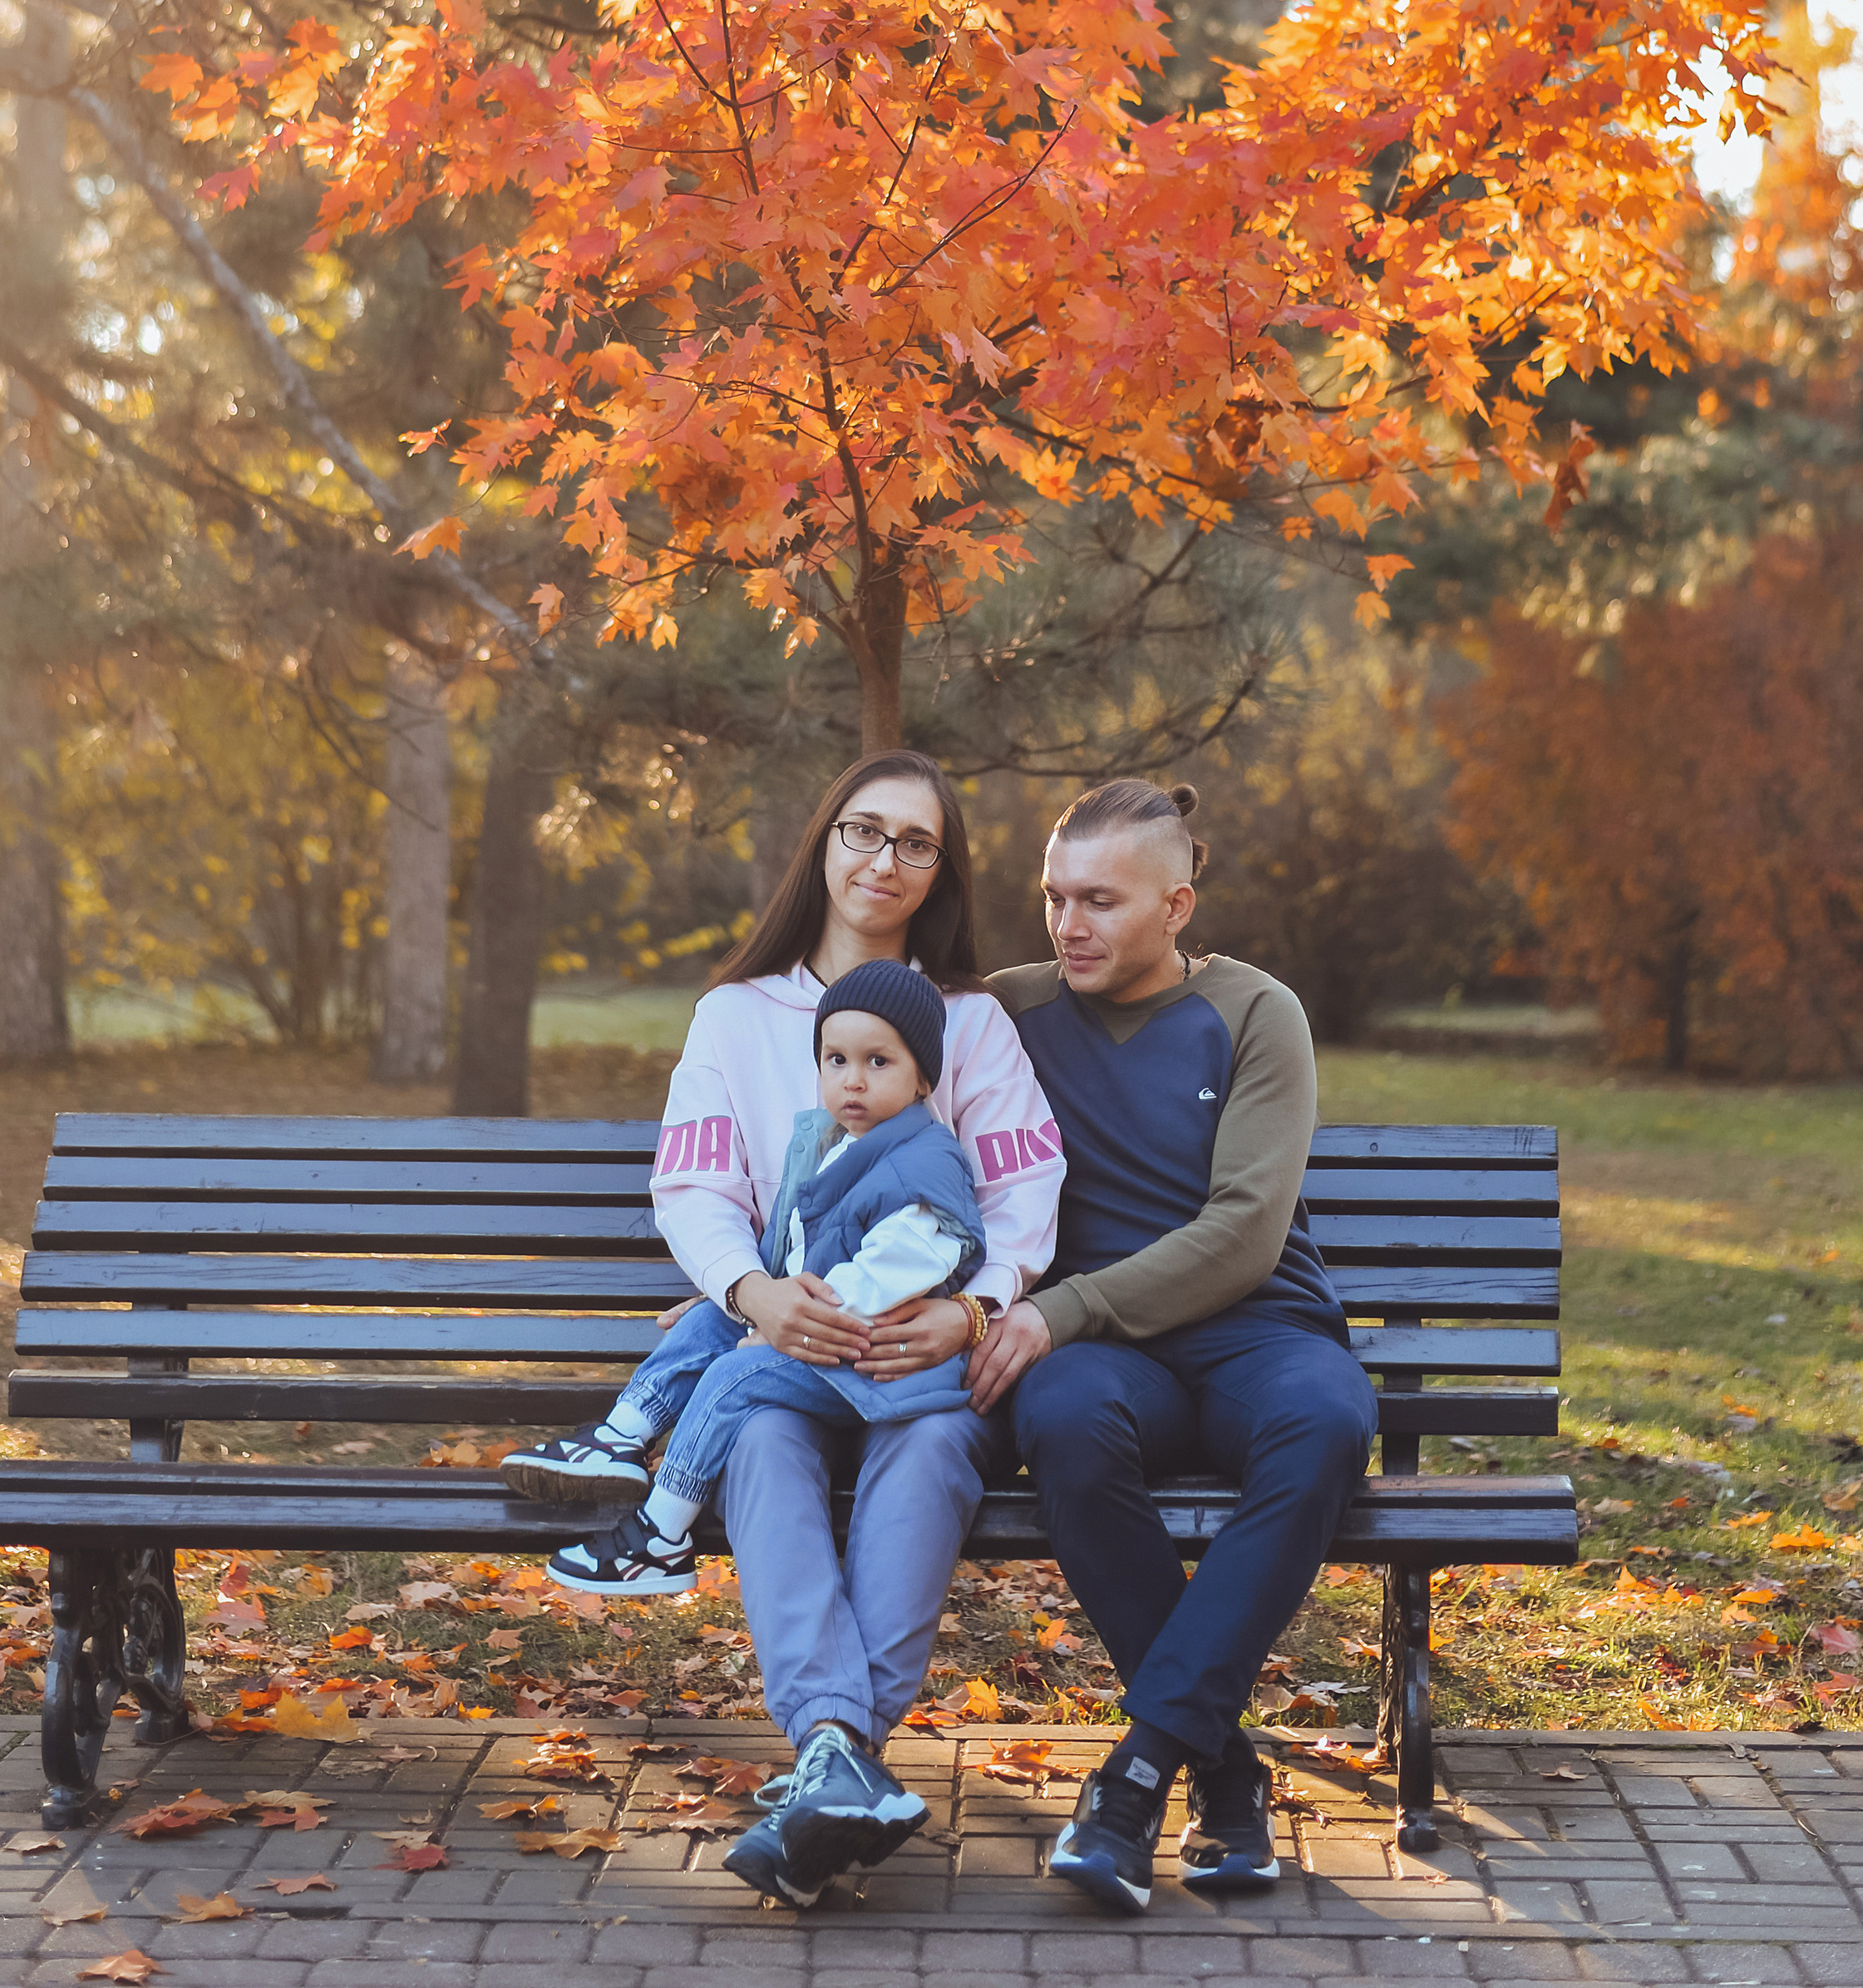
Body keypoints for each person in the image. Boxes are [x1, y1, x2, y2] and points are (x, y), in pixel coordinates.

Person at [604, 752, 1061, 1907]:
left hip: (920, 1355)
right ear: (825, 841)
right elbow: (695, 1188)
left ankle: (831, 1758)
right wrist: (750, 1294)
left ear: (941, 871)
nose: (884, 859)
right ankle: (837, 1755)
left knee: (935, 1446)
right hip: (789, 1346)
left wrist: (971, 1307)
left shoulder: (972, 1022)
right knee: (759, 1442)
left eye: (917, 842)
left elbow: (1024, 1193)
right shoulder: (734, 1016)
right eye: (864, 829)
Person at [972, 777, 1378, 1918]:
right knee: (1060, 1417)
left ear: (1177, 906)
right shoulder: (1005, 1012)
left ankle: (1139, 1767)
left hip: (1258, 1332)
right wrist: (740, 1278)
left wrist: (1060, 1310)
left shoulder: (1255, 1012)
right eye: (1054, 897)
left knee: (1327, 1422)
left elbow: (1244, 1233)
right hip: (1114, 1362)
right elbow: (853, 1078)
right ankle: (1222, 1767)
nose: (1069, 924)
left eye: (1099, 901)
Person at [520, 963, 990, 1599]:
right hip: (824, 1335)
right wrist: (761, 1304)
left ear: (922, 1077)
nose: (852, 1079)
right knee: (712, 1316)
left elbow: (882, 1276)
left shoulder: (925, 1165)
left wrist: (780, 1332)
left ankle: (661, 1535)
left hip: (875, 1358)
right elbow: (792, 1250)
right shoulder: (834, 1142)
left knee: (733, 1375)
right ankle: (621, 1435)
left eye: (878, 1062)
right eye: (836, 1060)